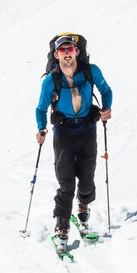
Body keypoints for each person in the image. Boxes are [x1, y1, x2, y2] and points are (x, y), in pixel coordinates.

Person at [33, 33, 113, 248]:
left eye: (70, 50)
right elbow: (40, 108)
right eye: (62, 51)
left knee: (87, 178)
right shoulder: (52, 80)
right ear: (56, 55)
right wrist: (41, 128)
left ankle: (83, 208)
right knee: (66, 182)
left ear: (77, 52)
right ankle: (62, 224)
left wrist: (107, 108)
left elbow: (106, 90)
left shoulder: (90, 71)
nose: (67, 55)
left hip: (87, 128)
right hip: (64, 132)